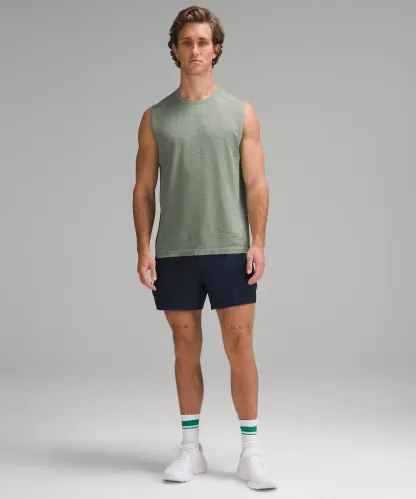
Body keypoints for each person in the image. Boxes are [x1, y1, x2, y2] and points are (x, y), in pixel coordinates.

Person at [133, 5, 277, 491]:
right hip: (174, 251)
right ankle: (190, 449)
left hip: (230, 247)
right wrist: (144, 248)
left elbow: (256, 184)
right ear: (174, 51)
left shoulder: (241, 113)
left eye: (203, 42)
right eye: (186, 42)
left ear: (216, 50)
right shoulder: (155, 118)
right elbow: (143, 190)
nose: (195, 50)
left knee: (240, 346)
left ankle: (250, 452)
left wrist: (258, 242)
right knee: (184, 347)